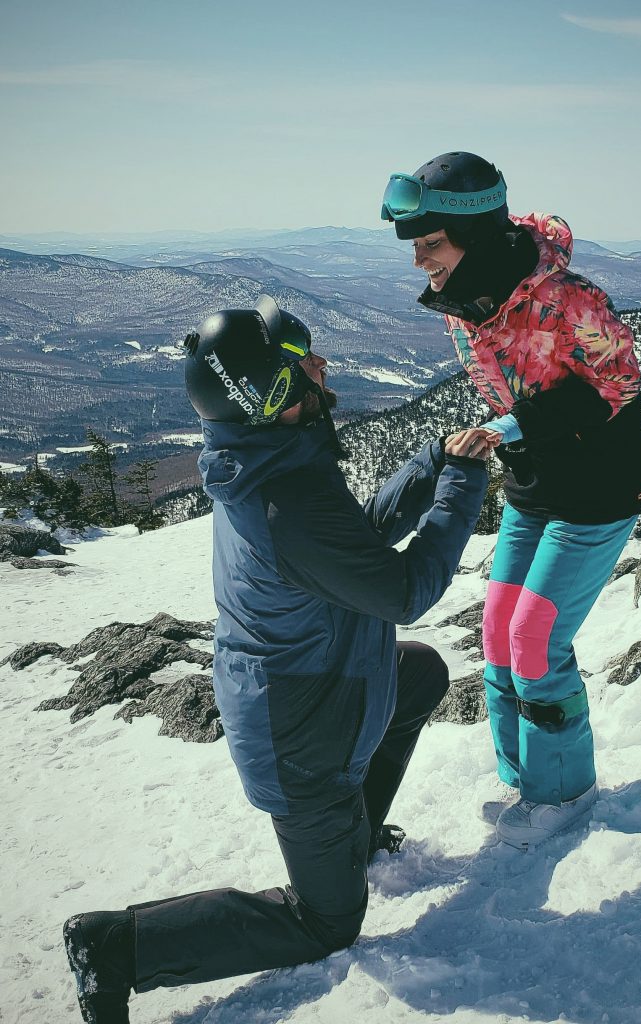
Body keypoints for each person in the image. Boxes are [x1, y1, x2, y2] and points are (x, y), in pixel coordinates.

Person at [63, 295, 490, 1023]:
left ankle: (348, 844)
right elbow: (403, 590)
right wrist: (463, 484)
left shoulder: (273, 459)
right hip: (300, 738)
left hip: (321, 690)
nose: (320, 364)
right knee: (327, 924)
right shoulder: (283, 500)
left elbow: (353, 537)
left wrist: (433, 461)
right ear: (270, 394)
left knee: (419, 675)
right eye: (300, 362)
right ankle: (118, 947)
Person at [381, 152, 641, 850]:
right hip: (534, 485)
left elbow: (620, 382)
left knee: (536, 638)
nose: (420, 263)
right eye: (414, 248)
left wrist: (513, 425)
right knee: (500, 631)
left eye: (431, 246)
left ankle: (564, 792)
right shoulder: (464, 304)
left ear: (473, 235)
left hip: (597, 489)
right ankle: (527, 778)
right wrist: (503, 435)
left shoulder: (568, 299)